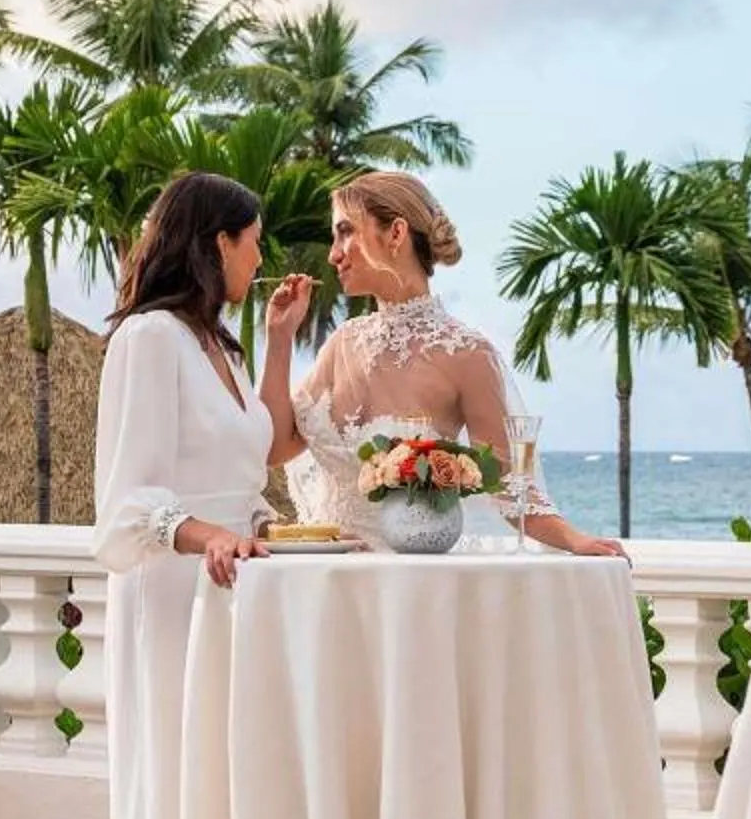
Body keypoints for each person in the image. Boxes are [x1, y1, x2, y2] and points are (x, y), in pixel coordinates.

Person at [89, 172, 283, 819]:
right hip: (172, 606)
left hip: (232, 604)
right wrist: (206, 533)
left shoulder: (224, 349)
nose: (262, 257)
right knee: (176, 817)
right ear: (214, 243)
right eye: (253, 241)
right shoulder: (148, 340)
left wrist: (281, 342)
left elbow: (255, 461)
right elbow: (124, 508)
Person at [262, 171, 624, 557]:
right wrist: (279, 339)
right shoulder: (341, 344)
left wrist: (576, 540)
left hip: (409, 580)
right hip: (325, 576)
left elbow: (509, 487)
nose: (333, 254)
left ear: (396, 233)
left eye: (345, 232)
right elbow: (274, 449)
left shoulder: (468, 355)